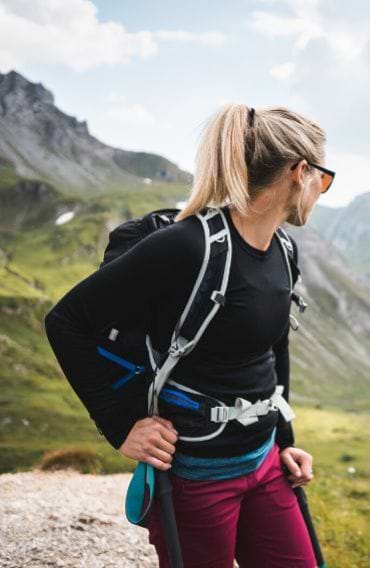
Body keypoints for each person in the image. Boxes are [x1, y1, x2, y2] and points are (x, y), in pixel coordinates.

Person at [43, 103, 335, 567]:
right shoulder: (187, 246)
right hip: (197, 474)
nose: (322, 190)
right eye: (324, 177)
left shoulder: (283, 248)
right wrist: (120, 428)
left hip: (264, 462)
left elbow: (271, 350)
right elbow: (66, 322)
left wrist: (284, 439)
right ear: (300, 172)